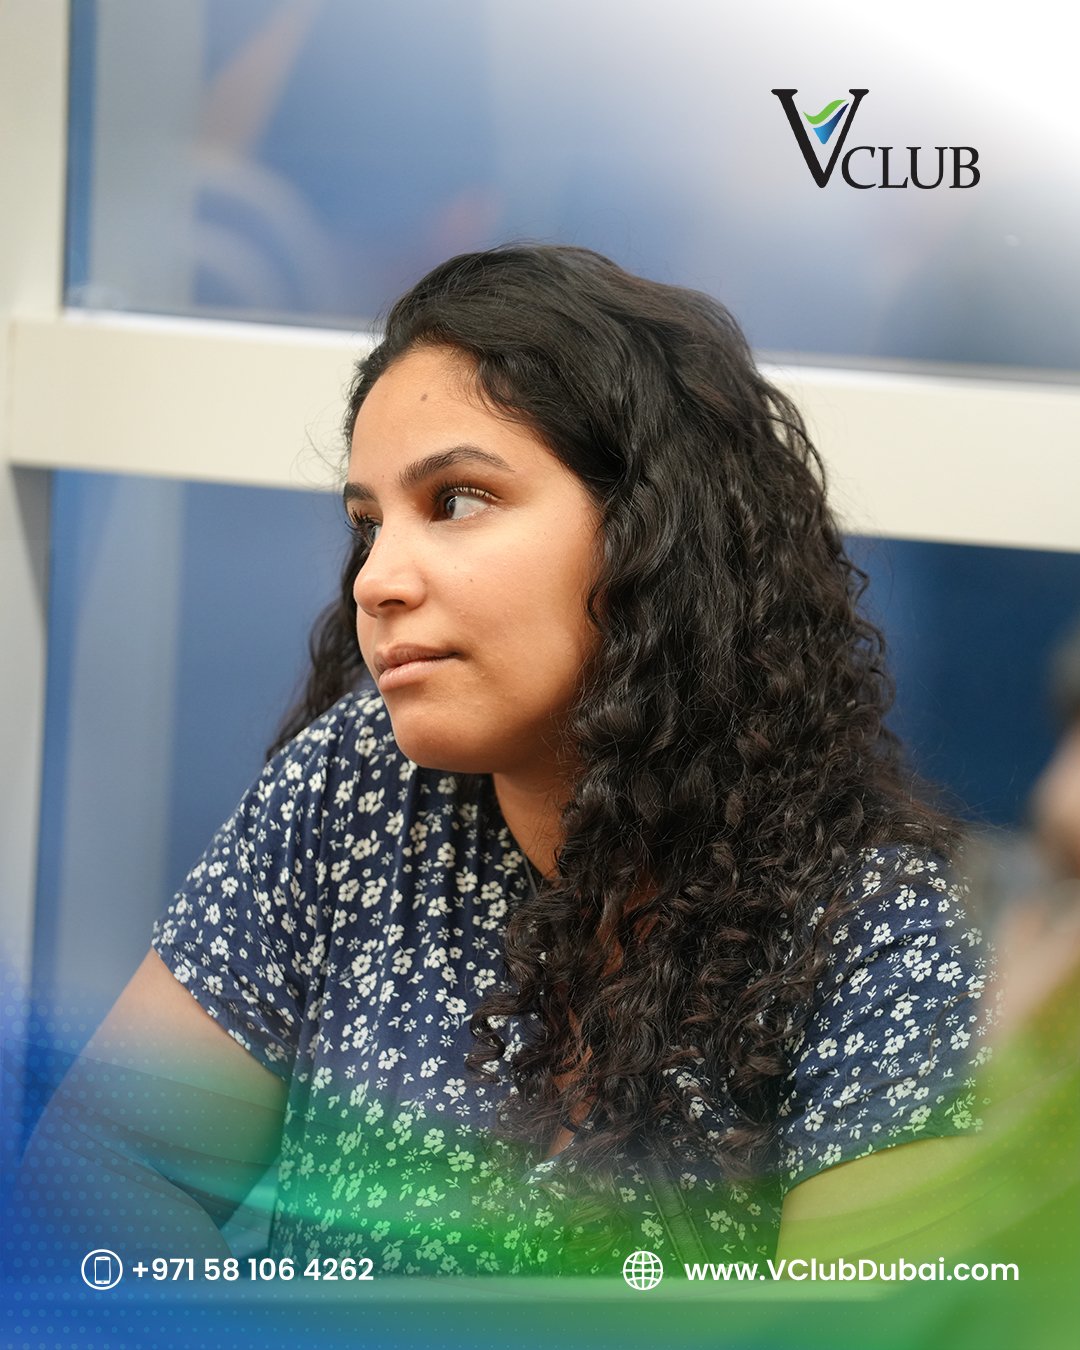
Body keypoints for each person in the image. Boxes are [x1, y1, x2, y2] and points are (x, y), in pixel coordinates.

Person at [12, 244, 995, 1280]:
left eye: (457, 500)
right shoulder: (358, 785)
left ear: (652, 535)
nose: (376, 580)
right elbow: (100, 1174)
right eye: (367, 524)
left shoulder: (870, 924)